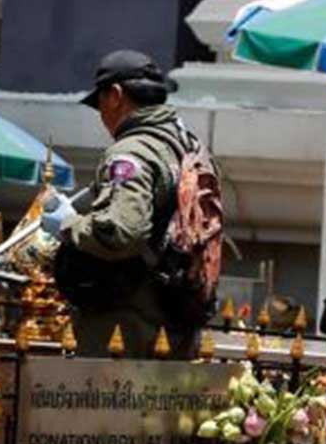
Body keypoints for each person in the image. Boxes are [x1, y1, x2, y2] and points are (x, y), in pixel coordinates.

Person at [42, 50, 221, 358]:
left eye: (99, 104)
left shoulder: (131, 153)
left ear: (115, 95)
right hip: (178, 314)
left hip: (128, 323)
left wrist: (68, 224)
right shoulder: (188, 147)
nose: (101, 116)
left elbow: (123, 232)